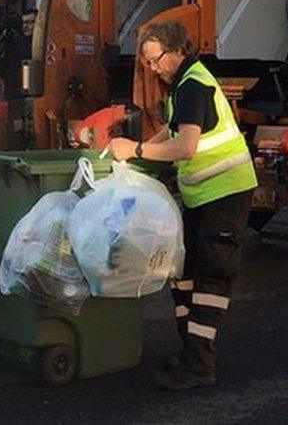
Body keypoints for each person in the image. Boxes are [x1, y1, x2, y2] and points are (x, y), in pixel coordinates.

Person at [107, 21, 258, 390]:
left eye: (155, 60)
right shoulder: (183, 84)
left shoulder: (192, 86)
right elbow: (172, 133)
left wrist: (137, 150)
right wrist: (135, 152)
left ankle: (199, 365)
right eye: (146, 63)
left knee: (211, 277)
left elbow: (185, 148)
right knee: (183, 272)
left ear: (176, 51)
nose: (152, 67)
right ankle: (191, 349)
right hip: (204, 196)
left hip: (225, 194)